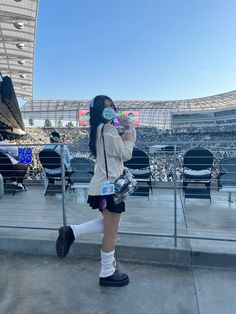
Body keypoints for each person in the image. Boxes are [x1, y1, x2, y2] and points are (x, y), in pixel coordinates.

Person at [56, 95, 136, 287]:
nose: (109, 108)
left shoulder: (98, 130)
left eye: (111, 106)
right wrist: (129, 134)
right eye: (104, 106)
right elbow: (126, 154)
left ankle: (73, 232)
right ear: (98, 110)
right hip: (111, 187)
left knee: (111, 226)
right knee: (111, 232)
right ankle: (107, 272)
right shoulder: (108, 129)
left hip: (103, 186)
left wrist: (124, 132)